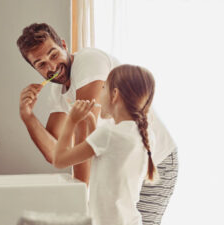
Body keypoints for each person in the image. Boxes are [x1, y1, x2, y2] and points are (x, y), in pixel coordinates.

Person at [17, 23, 178, 225]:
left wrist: (80, 204)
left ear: (64, 45)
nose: (51, 67)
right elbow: (55, 152)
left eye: (54, 55)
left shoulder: (88, 63)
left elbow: (75, 149)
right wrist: (27, 116)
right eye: (41, 64)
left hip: (156, 160)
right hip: (122, 168)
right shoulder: (57, 92)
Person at [53, 64, 157, 225]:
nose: (99, 93)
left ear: (114, 94)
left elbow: (59, 160)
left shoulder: (108, 134)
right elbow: (106, 155)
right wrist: (91, 121)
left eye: (103, 88)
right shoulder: (142, 133)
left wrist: (71, 120)